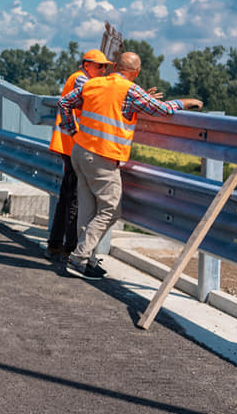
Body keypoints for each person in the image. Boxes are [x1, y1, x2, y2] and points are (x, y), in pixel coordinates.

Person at [57, 51, 202, 280]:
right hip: (102, 157)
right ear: (136, 72)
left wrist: (72, 129)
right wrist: (186, 102)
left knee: (88, 209)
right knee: (110, 211)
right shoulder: (130, 90)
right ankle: (79, 257)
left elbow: (64, 102)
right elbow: (162, 110)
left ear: (115, 67)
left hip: (80, 151)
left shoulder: (96, 84)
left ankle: (87, 260)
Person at [46, 50, 112, 264]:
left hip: (71, 144)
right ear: (87, 65)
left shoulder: (82, 78)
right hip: (72, 144)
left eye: (105, 68)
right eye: (100, 67)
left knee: (68, 196)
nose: (103, 71)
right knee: (75, 197)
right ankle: (69, 248)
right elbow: (93, 98)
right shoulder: (81, 79)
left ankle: (56, 245)